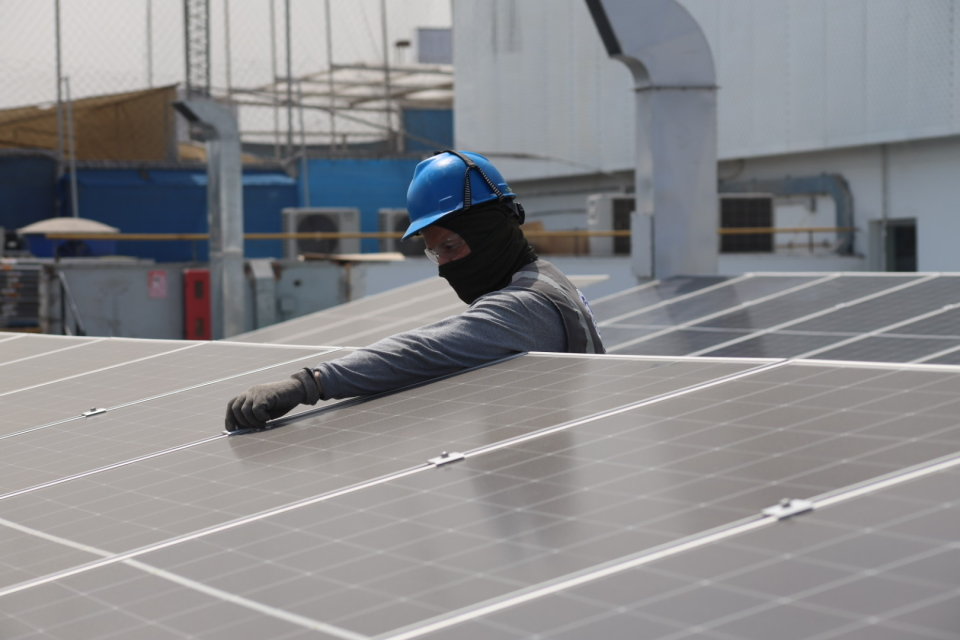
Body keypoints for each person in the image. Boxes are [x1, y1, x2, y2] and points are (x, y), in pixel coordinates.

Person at [225, 150, 604, 431]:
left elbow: (424, 349)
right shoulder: (544, 276)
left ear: (489, 232)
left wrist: (309, 383)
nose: (443, 265)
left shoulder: (526, 305)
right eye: (434, 252)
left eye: (450, 246)